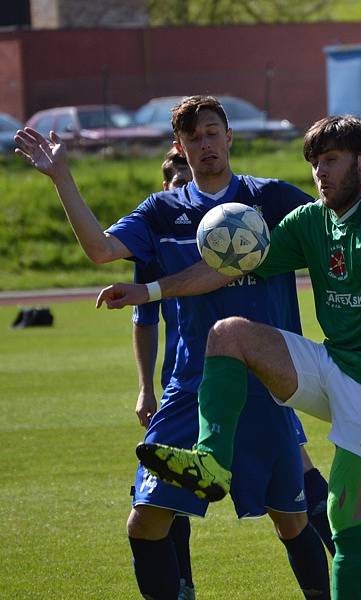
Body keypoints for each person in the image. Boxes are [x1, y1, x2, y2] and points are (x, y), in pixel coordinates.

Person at [16, 99, 361, 600]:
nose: (206, 144)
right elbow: (130, 255)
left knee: (314, 518)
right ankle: (208, 468)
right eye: (194, 138)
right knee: (150, 510)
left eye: (213, 132)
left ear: (229, 136)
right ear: (180, 147)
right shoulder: (183, 211)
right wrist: (144, 286)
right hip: (221, 378)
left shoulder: (275, 199)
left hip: (323, 384)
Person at [132, 148, 195, 599]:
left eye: (185, 174)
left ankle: (348, 577)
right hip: (178, 384)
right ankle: (183, 585)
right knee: (161, 495)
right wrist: (144, 388)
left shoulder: (229, 226)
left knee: (291, 497)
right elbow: (145, 319)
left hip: (235, 378)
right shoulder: (157, 239)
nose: (178, 180)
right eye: (172, 175)